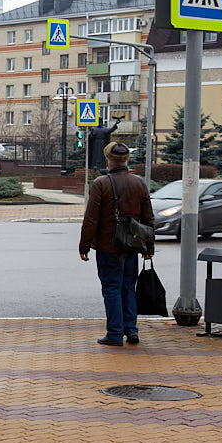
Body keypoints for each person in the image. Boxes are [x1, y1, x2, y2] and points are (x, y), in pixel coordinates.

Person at [78, 141, 154, 347]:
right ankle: (131, 330)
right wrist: (149, 248)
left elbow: (91, 219)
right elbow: (149, 218)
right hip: (132, 246)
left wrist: (84, 247)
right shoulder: (139, 183)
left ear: (107, 161)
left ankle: (114, 333)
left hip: (108, 246)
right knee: (128, 287)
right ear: (127, 160)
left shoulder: (101, 184)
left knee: (111, 288)